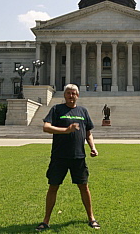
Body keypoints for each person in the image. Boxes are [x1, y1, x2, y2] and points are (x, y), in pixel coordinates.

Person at [36, 84, 100, 231]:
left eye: (74, 93)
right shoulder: (57, 109)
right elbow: (46, 127)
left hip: (78, 156)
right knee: (53, 187)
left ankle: (91, 218)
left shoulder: (83, 111)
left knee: (84, 187)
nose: (71, 96)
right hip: (59, 156)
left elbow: (88, 132)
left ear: (78, 95)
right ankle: (46, 220)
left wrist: (93, 147)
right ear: (64, 95)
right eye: (69, 93)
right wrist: (66, 130)